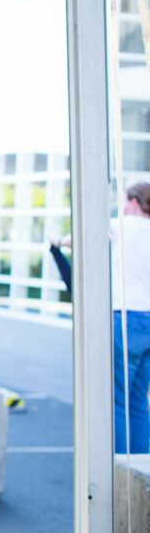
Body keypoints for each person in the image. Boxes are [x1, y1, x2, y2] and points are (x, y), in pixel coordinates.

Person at [112, 182, 150, 453]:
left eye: (125, 201)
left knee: (119, 399)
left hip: (127, 318)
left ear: (135, 202)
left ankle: (118, 467)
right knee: (139, 400)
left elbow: (75, 237)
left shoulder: (122, 225)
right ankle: (140, 467)